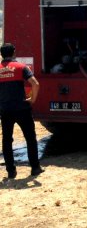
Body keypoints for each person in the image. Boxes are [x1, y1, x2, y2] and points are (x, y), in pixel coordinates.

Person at [0, 43, 43, 179]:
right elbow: (35, 83)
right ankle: (35, 168)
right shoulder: (21, 67)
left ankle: (11, 171)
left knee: (7, 140)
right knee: (30, 138)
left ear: (1, 54)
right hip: (22, 109)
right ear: (13, 53)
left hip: (5, 110)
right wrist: (32, 99)